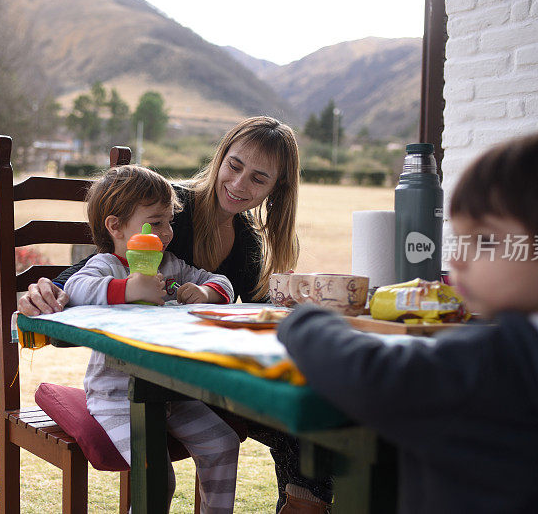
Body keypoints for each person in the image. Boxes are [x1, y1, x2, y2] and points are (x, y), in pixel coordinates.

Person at [277, 133, 538, 513]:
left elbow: (369, 376)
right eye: (460, 240)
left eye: (486, 240)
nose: (458, 260)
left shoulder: (498, 361)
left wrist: (307, 320)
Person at [18, 116, 333, 512]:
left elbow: (244, 306)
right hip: (145, 382)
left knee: (311, 416)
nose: (238, 184)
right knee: (299, 421)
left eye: (258, 178)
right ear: (220, 159)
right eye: (234, 166)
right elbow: (98, 266)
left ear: (276, 188)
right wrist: (50, 291)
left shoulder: (250, 245)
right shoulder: (170, 207)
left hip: (207, 377)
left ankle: (305, 506)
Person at [66, 164, 239, 513]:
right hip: (116, 395)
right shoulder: (106, 266)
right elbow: (75, 288)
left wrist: (205, 293)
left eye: (169, 221)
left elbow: (223, 283)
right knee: (158, 474)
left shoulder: (171, 266)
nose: (169, 232)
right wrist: (128, 288)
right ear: (115, 226)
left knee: (223, 444)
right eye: (156, 222)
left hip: (172, 392)